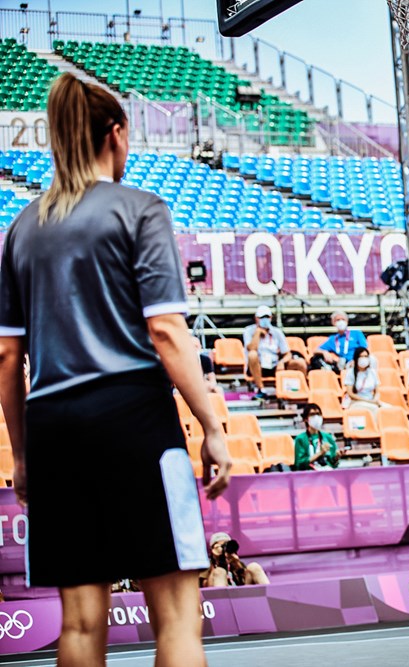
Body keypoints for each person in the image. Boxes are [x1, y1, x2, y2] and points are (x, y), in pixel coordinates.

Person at [0, 73, 231, 666]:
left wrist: (23, 457)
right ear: (117, 133)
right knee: (176, 619)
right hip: (135, 420)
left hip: (53, 428)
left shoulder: (21, 230)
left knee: (79, 625)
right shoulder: (140, 210)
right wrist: (212, 425)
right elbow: (166, 331)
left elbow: (7, 357)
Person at [243, 305, 307, 398]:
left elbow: (287, 353)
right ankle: (261, 389)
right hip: (257, 366)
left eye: (267, 317)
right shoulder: (249, 330)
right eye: (261, 317)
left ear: (271, 318)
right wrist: (257, 333)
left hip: (274, 365)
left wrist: (282, 362)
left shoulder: (277, 332)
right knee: (252, 355)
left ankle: (301, 391)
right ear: (256, 318)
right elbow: (251, 348)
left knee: (300, 363)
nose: (264, 320)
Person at [199, 532, 270, 588]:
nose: (225, 548)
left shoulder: (234, 561)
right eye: (221, 546)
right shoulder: (207, 565)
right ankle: (222, 602)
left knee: (254, 566)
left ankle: (271, 597)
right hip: (217, 596)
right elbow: (203, 586)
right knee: (220, 571)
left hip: (240, 596)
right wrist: (218, 563)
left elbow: (245, 581)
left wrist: (237, 565)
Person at [294, 402, 340, 470]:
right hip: (309, 473)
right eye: (312, 414)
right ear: (306, 419)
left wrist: (336, 458)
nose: (316, 417)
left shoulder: (328, 437)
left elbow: (333, 464)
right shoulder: (300, 439)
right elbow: (299, 464)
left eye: (318, 414)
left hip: (327, 472)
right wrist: (320, 453)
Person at [343, 347, 382, 414]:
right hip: (356, 402)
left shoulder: (372, 372)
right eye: (361, 356)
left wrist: (375, 400)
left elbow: (377, 392)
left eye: (366, 356)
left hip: (371, 400)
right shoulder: (350, 373)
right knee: (374, 410)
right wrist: (368, 401)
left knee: (389, 409)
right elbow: (350, 394)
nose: (364, 358)